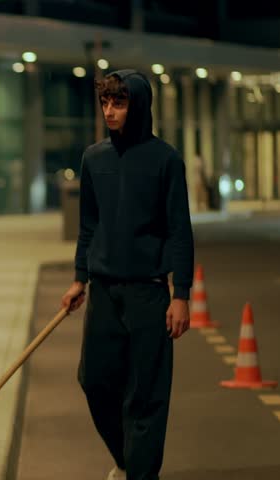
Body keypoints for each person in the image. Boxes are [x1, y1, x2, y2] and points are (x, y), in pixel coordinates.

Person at [61, 70, 194, 480]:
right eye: (105, 103)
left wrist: (181, 293)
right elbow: (88, 225)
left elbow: (179, 230)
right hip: (103, 292)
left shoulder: (166, 160)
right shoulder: (93, 158)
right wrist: (80, 277)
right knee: (95, 382)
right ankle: (127, 459)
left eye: (118, 103)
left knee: (146, 394)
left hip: (149, 294)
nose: (110, 111)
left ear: (138, 106)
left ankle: (140, 473)